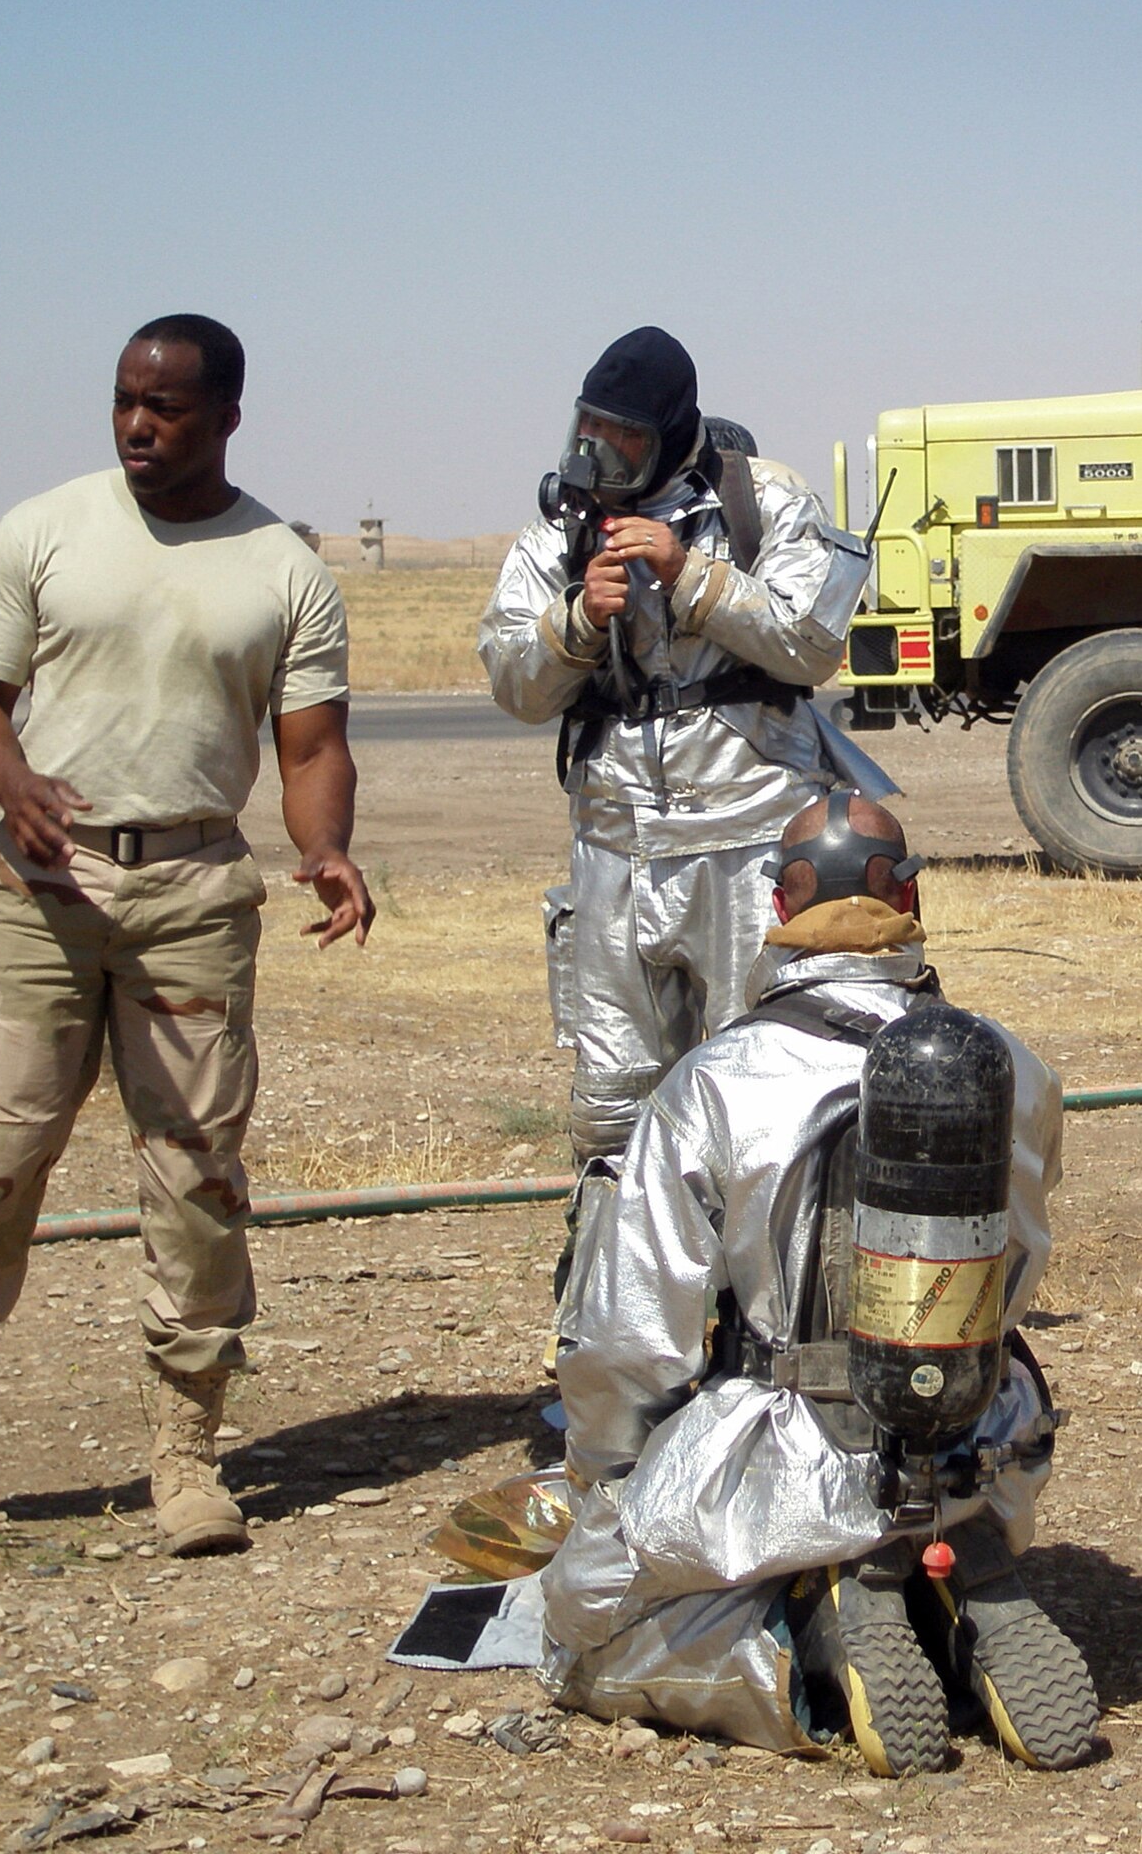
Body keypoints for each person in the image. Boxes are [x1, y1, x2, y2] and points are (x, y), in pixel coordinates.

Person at [0, 314, 374, 1557]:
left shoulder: (283, 567)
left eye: (166, 408)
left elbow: (309, 746)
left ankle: (185, 1455)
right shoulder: (44, 529)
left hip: (194, 901)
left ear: (228, 417)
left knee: (196, 1179)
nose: (138, 426)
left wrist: (324, 848)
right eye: (122, 402)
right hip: (44, 895)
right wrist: (15, 789)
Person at [538, 794, 1098, 1773]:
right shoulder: (1015, 1062)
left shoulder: (715, 1080)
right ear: (910, 892)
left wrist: (607, 1471)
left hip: (791, 1443)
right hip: (981, 1441)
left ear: (771, 906)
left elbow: (632, 1332)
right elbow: (1019, 1258)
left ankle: (817, 1625)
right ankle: (954, 1561)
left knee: (578, 1619)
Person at [478, 329, 884, 1291]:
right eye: (587, 430)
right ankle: (618, 1329)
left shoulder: (765, 504)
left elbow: (811, 644)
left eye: (621, 438)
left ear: (668, 434)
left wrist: (690, 577)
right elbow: (512, 681)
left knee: (765, 1082)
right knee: (615, 1103)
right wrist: (577, 621)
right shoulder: (562, 531)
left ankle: (773, 1310)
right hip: (615, 848)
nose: (597, 455)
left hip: (747, 840)